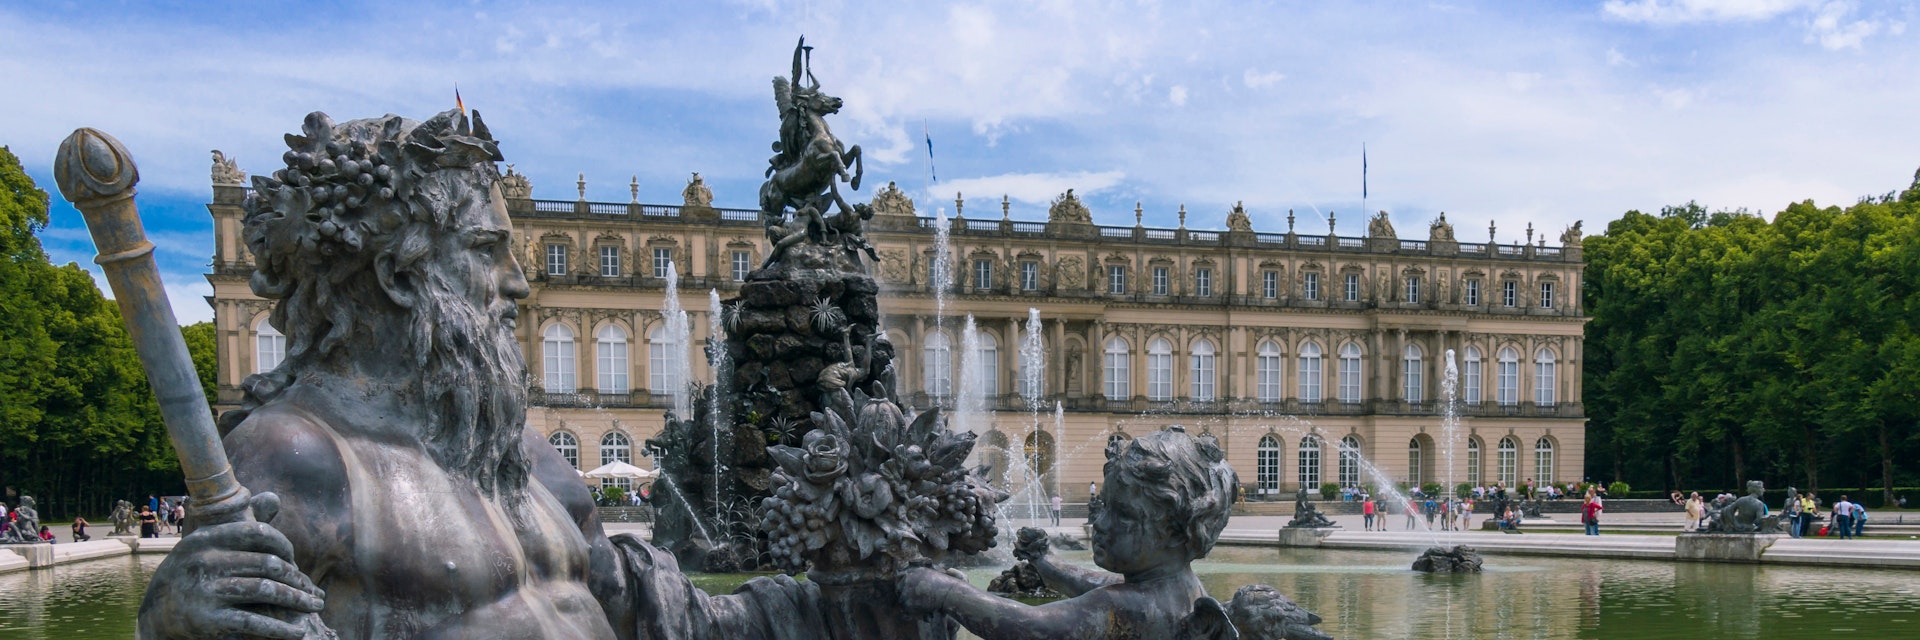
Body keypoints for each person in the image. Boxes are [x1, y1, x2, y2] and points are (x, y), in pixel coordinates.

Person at [138, 109, 861, 640]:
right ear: (397, 273)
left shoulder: (523, 456)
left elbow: (663, 620)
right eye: (488, 250)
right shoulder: (296, 457)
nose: (518, 285)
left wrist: (850, 607)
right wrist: (173, 623)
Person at [901, 429, 1240, 639]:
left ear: (1177, 533)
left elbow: (1037, 627)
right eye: (1104, 506)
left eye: (1123, 514)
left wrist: (947, 593)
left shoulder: (1127, 607)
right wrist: (1046, 564)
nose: (1101, 524)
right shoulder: (1177, 585)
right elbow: (1099, 584)